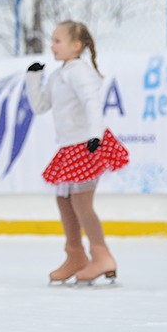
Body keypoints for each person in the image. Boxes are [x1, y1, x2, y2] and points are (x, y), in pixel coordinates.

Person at [25, 20, 128, 285]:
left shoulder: (79, 71)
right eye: (52, 40)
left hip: (87, 143)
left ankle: (102, 255)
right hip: (70, 147)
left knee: (82, 204)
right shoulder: (61, 73)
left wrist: (95, 136)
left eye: (58, 40)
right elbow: (40, 106)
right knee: (64, 200)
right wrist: (33, 79)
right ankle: (75, 255)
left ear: (76, 45)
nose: (52, 45)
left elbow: (92, 103)